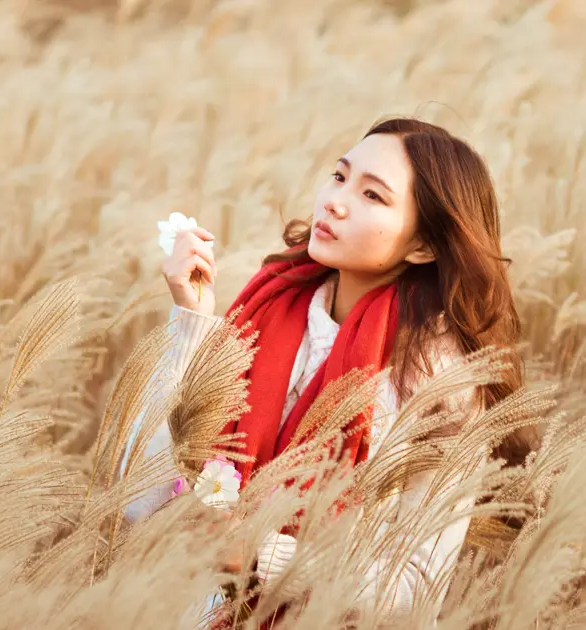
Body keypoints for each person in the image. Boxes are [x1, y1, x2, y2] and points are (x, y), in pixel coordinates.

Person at [119, 118, 531, 627]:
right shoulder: (263, 314)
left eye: (373, 196)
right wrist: (192, 322)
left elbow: (415, 586)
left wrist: (258, 553)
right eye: (339, 177)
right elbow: (139, 499)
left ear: (423, 246)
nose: (335, 202)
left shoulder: (437, 383)